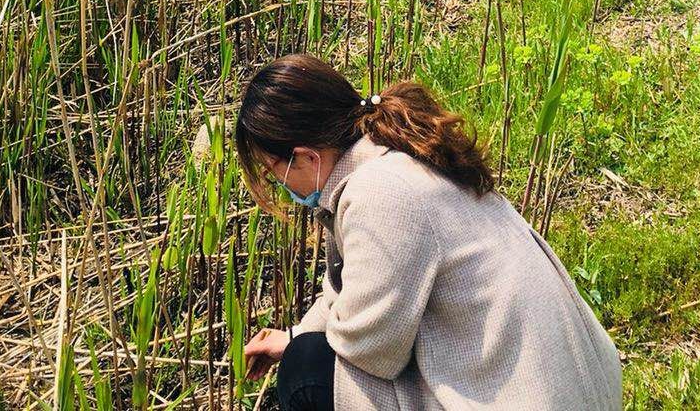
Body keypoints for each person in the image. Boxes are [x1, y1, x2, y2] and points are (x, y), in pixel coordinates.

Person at [235, 53, 622, 411]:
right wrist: (296, 334)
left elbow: (369, 345)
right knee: (307, 351)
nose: (281, 189)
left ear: (306, 157)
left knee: (307, 371)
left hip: (529, 398)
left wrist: (301, 346)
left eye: (274, 174)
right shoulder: (398, 157)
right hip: (571, 390)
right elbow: (352, 291)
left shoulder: (379, 193)